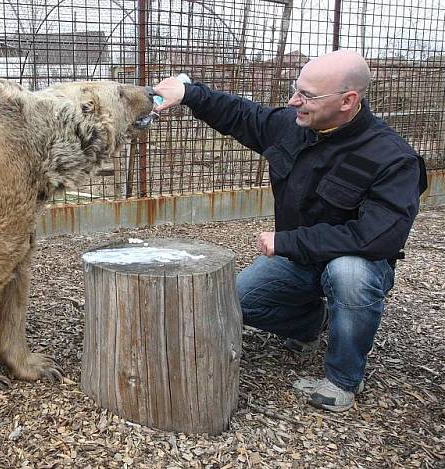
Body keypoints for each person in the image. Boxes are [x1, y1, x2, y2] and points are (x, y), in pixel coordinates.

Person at [152, 49, 427, 412]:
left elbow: (377, 237)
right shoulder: (294, 126)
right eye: (296, 88)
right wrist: (190, 94)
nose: (294, 100)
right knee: (234, 301)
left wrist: (287, 241)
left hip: (355, 261)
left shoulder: (393, 159)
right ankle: (313, 321)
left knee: (349, 275)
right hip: (299, 260)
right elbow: (241, 115)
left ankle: (343, 378)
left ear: (348, 100)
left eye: (307, 95)